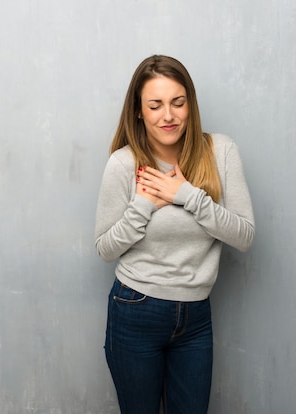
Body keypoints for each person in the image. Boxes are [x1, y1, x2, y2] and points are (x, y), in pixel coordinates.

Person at [94, 55, 255, 414]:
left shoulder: (221, 152)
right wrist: (143, 205)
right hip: (135, 310)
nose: (169, 115)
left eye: (178, 103)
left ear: (190, 104)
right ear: (139, 111)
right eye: (156, 105)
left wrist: (186, 195)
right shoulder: (124, 163)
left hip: (196, 318)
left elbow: (244, 236)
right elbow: (105, 247)